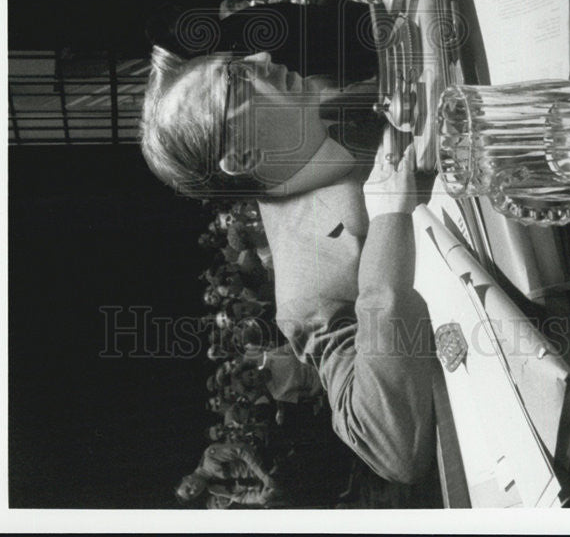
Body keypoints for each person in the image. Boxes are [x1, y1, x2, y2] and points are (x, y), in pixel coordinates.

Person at [141, 45, 436, 484]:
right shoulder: (304, 291)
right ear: (243, 157)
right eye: (238, 79)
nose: (262, 57)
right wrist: (391, 222)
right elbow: (393, 449)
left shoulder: (327, 104)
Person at [175, 439, 277, 507]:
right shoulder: (213, 489)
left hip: (270, 461)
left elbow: (242, 450)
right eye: (192, 495)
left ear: (187, 478)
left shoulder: (210, 457)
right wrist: (261, 497)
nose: (194, 491)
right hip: (271, 484)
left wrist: (263, 475)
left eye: (188, 489)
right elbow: (239, 497)